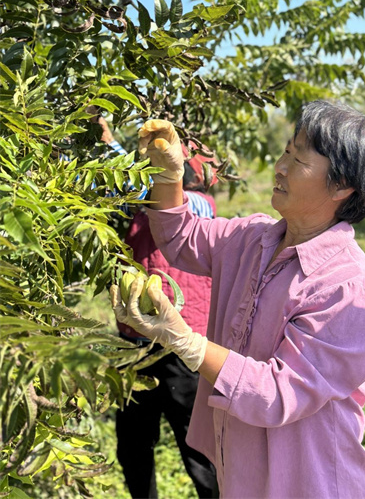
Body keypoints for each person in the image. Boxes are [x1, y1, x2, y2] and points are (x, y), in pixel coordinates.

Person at [111, 100, 365, 499]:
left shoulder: (346, 286)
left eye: (298, 161)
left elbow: (279, 394)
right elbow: (181, 239)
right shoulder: (252, 239)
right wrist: (168, 175)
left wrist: (185, 341)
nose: (280, 167)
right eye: (286, 151)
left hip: (309, 485)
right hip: (241, 475)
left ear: (341, 186)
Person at [93, 115, 218, 498]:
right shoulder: (133, 209)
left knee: (200, 451)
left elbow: (150, 191)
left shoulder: (199, 206)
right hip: (134, 345)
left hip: (184, 347)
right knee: (133, 446)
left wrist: (108, 143)